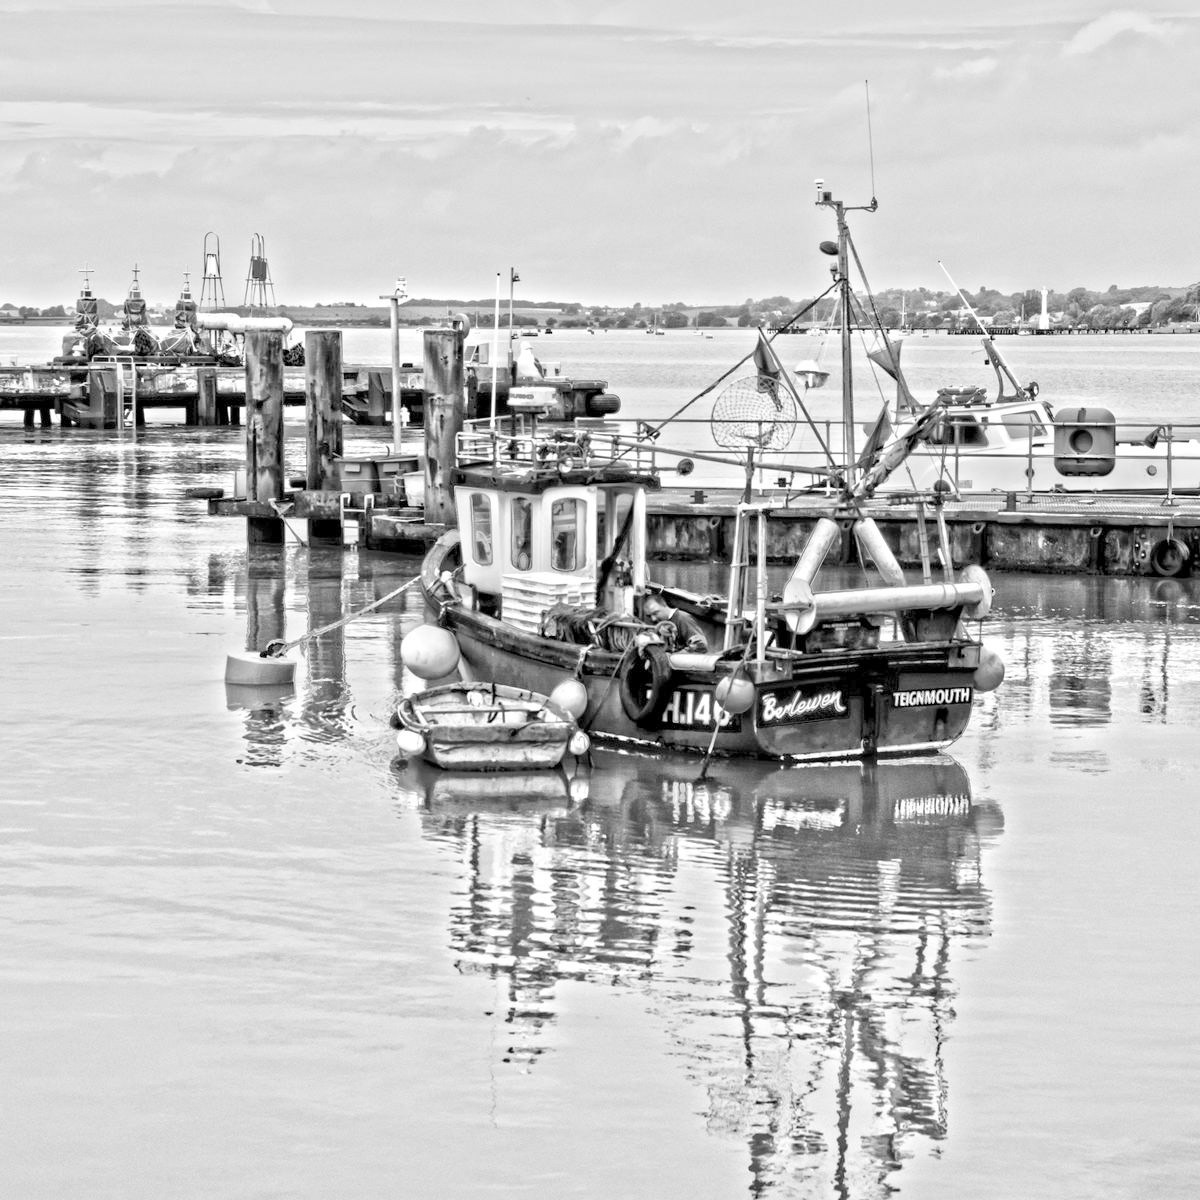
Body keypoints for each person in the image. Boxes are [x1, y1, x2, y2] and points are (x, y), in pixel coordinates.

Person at [642, 594, 708, 653]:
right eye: (649, 616)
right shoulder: (662, 624)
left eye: (655, 613)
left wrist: (674, 656)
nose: (653, 619)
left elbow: (700, 645)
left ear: (664, 605)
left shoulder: (682, 618)